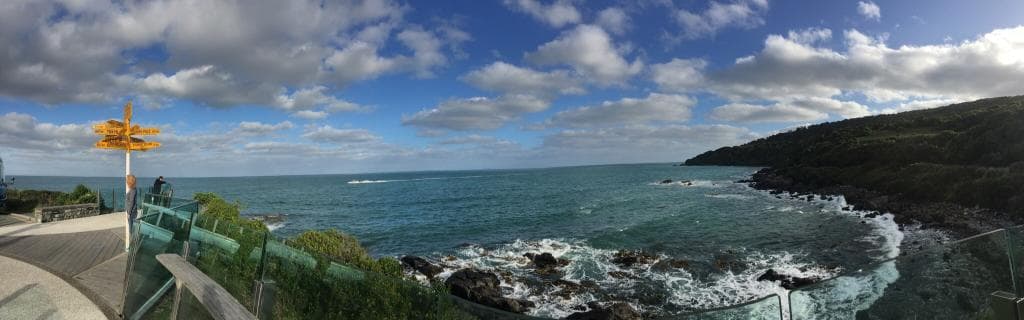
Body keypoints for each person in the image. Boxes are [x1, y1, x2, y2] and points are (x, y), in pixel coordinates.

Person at [125, 174, 138, 252]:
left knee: (131, 230)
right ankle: (133, 246)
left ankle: (133, 247)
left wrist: (128, 213)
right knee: (132, 229)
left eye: (127, 180)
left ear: (129, 181)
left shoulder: (133, 190)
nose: (126, 182)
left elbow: (131, 202)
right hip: (132, 212)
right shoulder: (133, 189)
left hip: (131, 212)